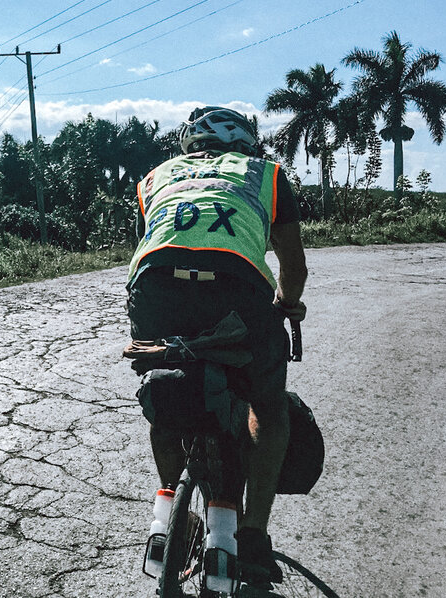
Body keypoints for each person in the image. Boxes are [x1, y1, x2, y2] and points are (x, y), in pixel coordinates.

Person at [126, 105, 308, 584]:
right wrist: (288, 306)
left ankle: (171, 509)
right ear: (246, 143)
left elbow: (157, 242)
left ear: (191, 143)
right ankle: (252, 535)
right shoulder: (266, 175)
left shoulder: (155, 176)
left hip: (156, 292)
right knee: (267, 409)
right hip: (238, 293)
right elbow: (293, 266)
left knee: (164, 389)